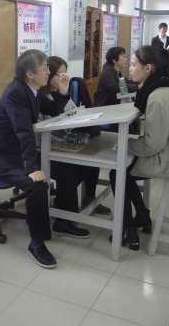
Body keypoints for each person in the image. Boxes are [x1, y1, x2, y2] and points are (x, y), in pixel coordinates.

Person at [0, 49, 70, 269]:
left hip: (17, 152)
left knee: (63, 166)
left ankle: (65, 221)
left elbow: (52, 109)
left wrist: (62, 92)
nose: (49, 72)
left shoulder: (33, 90)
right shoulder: (15, 93)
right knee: (37, 185)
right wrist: (31, 168)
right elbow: (24, 132)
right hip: (1, 156)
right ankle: (36, 243)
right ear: (30, 74)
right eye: (45, 68)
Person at [109, 46, 169, 250]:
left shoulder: (157, 96)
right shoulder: (167, 85)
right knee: (124, 169)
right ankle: (142, 216)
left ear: (148, 68)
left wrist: (127, 143)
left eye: (133, 65)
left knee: (118, 172)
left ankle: (128, 229)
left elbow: (152, 144)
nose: (130, 69)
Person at [38, 56, 111, 216]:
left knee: (92, 161)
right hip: (46, 147)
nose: (63, 77)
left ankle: (88, 198)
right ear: (48, 74)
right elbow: (40, 134)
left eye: (65, 73)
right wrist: (66, 141)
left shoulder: (62, 93)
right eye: (59, 74)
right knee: (70, 169)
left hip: (62, 143)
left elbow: (75, 113)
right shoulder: (41, 97)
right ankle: (65, 212)